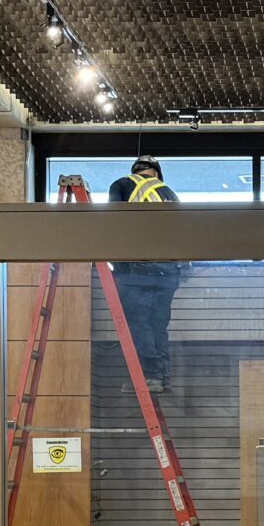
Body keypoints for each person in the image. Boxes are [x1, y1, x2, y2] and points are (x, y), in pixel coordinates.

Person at [106, 157, 181, 392]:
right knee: (159, 326)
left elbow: (113, 224)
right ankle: (162, 376)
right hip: (168, 273)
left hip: (136, 272)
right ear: (157, 174)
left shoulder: (121, 185)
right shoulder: (169, 193)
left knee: (139, 325)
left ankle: (150, 376)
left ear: (135, 171)